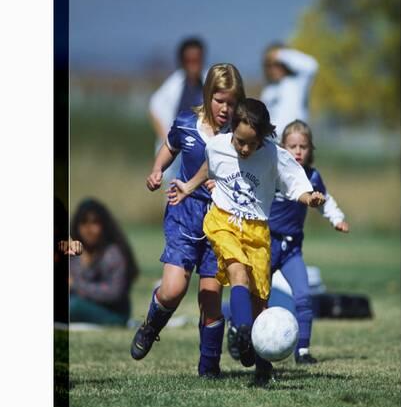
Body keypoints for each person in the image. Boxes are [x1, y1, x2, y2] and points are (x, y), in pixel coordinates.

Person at [168, 99, 325, 382]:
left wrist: (309, 198)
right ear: (231, 131)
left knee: (260, 300)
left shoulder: (274, 156)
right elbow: (209, 165)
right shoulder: (218, 145)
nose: (244, 149)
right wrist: (188, 187)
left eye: (251, 144)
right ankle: (242, 332)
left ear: (263, 137)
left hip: (257, 230)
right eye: (240, 142)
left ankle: (263, 364)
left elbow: (295, 185)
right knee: (236, 270)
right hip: (224, 221)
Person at [130, 63, 246, 378]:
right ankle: (150, 326)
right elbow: (170, 147)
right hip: (184, 211)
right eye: (220, 100)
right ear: (208, 95)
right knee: (172, 289)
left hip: (220, 222)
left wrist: (226, 185)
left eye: (232, 102)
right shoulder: (185, 123)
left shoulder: (239, 134)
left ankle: (209, 368)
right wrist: (157, 170)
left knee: (210, 299)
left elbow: (246, 173)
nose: (226, 108)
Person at [267, 120, 349, 364]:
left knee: (303, 296)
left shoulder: (313, 176)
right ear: (283, 148)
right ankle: (251, 343)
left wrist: (337, 218)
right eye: (292, 146)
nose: (298, 151)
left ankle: (302, 350)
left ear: (311, 149)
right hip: (266, 245)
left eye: (303, 146)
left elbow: (325, 200)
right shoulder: (274, 172)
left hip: (292, 249)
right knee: (258, 297)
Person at [69, 198, 139, 326]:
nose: (89, 229)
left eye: (94, 223)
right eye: (84, 223)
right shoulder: (74, 252)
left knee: (72, 306)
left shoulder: (112, 254)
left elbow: (113, 293)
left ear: (104, 225)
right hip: (81, 304)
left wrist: (76, 285)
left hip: (114, 314)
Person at [148, 37, 207, 187]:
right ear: (182, 61)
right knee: (174, 193)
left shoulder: (209, 81)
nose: (193, 65)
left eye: (197, 60)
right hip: (179, 151)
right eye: (189, 60)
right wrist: (167, 139)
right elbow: (154, 107)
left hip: (204, 150)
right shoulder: (174, 83)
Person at [260, 43, 318, 137]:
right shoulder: (268, 91)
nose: (273, 69)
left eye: (277, 64)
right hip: (273, 142)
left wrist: (281, 54)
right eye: (269, 65)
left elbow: (312, 66)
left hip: (294, 139)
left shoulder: (297, 82)